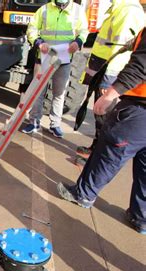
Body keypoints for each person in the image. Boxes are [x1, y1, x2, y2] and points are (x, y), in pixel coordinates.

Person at [57, 27, 146, 235]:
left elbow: (141, 66)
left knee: (111, 150)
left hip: (140, 109)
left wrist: (111, 94)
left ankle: (83, 195)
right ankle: (141, 217)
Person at [75, 0, 144, 166]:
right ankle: (94, 150)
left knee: (105, 116)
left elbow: (121, 49)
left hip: (111, 72)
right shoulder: (118, 8)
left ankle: (96, 159)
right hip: (104, 69)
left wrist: (109, 80)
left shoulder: (128, 11)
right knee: (100, 116)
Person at [22, 0, 88, 138]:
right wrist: (39, 42)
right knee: (38, 92)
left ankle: (55, 124)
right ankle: (34, 122)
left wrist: (78, 42)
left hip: (64, 60)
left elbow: (83, 31)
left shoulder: (77, 10)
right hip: (44, 58)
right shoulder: (44, 9)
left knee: (59, 93)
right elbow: (32, 29)